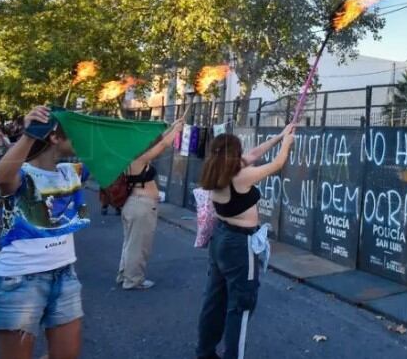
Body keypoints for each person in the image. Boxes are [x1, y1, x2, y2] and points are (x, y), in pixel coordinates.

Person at [0, 106, 89, 359]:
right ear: (54, 137)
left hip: (65, 275)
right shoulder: (20, 175)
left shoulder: (71, 172)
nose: (80, 140)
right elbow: (2, 175)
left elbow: (117, 154)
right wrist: (30, 134)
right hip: (19, 279)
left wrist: (163, 134)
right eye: (73, 133)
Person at [196, 126, 295, 359]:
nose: (244, 155)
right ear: (232, 155)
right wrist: (287, 143)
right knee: (241, 305)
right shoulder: (240, 176)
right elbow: (277, 164)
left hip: (220, 239)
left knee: (214, 299)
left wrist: (279, 136)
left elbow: (255, 153)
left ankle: (205, 351)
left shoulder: (216, 171)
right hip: (239, 244)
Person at [116, 117, 184, 290]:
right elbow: (161, 146)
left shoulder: (126, 155)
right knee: (139, 246)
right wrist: (175, 131)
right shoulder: (137, 159)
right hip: (141, 205)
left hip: (134, 203)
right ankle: (133, 280)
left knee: (131, 242)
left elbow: (158, 142)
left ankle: (125, 274)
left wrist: (174, 126)